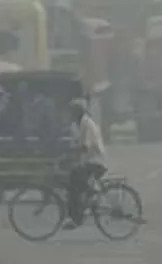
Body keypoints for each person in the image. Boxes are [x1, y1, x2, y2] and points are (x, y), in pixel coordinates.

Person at [62, 98, 107, 230]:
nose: (71, 114)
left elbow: (85, 147)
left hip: (96, 162)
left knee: (74, 181)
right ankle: (85, 204)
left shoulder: (87, 124)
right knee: (75, 184)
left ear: (79, 111)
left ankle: (76, 218)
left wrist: (69, 153)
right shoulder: (79, 124)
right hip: (89, 162)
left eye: (73, 111)